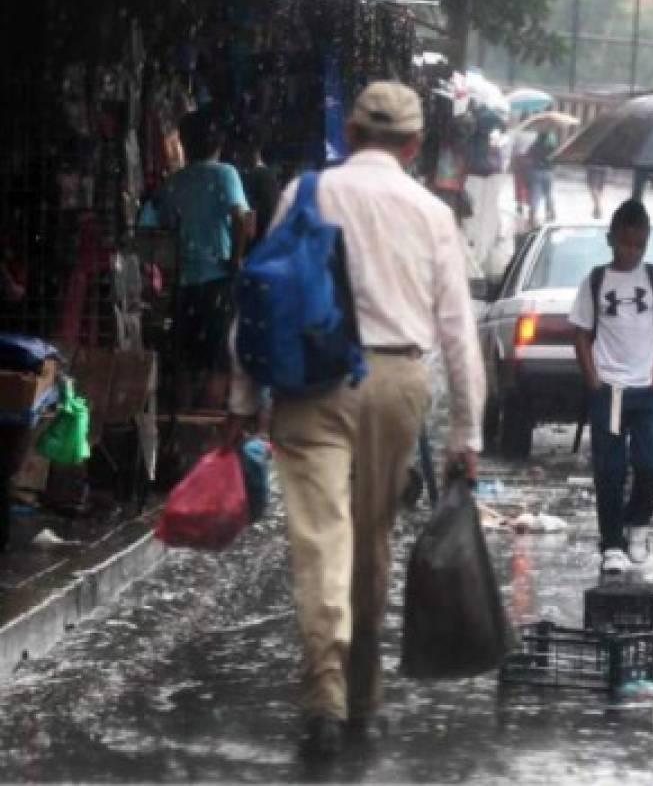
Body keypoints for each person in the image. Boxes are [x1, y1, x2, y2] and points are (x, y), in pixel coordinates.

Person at [224, 82, 486, 758]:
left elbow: (262, 297)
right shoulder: (430, 212)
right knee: (371, 542)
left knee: (320, 540)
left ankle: (324, 698)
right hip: (396, 382)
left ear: (351, 134)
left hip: (311, 382)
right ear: (414, 144)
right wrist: (466, 434)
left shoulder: (306, 192)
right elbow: (458, 332)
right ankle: (361, 693)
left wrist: (241, 399)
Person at [570, 200, 653, 575]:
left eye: (639, 245)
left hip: (647, 389)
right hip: (610, 389)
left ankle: (639, 523)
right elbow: (581, 335)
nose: (631, 252)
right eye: (625, 244)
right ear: (611, 239)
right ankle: (612, 541)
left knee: (651, 463)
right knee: (610, 468)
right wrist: (594, 381)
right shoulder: (596, 281)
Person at [154, 109, 253, 410]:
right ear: (218, 143)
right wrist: (236, 258)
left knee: (186, 359)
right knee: (217, 360)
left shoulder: (176, 182)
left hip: (185, 283)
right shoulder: (225, 174)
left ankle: (182, 424)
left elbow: (163, 224)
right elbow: (241, 217)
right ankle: (206, 429)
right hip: (217, 281)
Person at [234, 124, 280, 251]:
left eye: (241, 148)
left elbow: (270, 217)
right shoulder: (244, 175)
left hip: (258, 250)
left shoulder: (265, 177)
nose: (238, 153)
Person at [526, 127, 559, 226]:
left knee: (535, 194)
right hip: (549, 172)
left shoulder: (534, 145)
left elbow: (528, 155)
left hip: (536, 171)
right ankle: (550, 213)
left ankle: (532, 215)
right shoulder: (552, 147)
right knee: (549, 193)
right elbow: (556, 158)